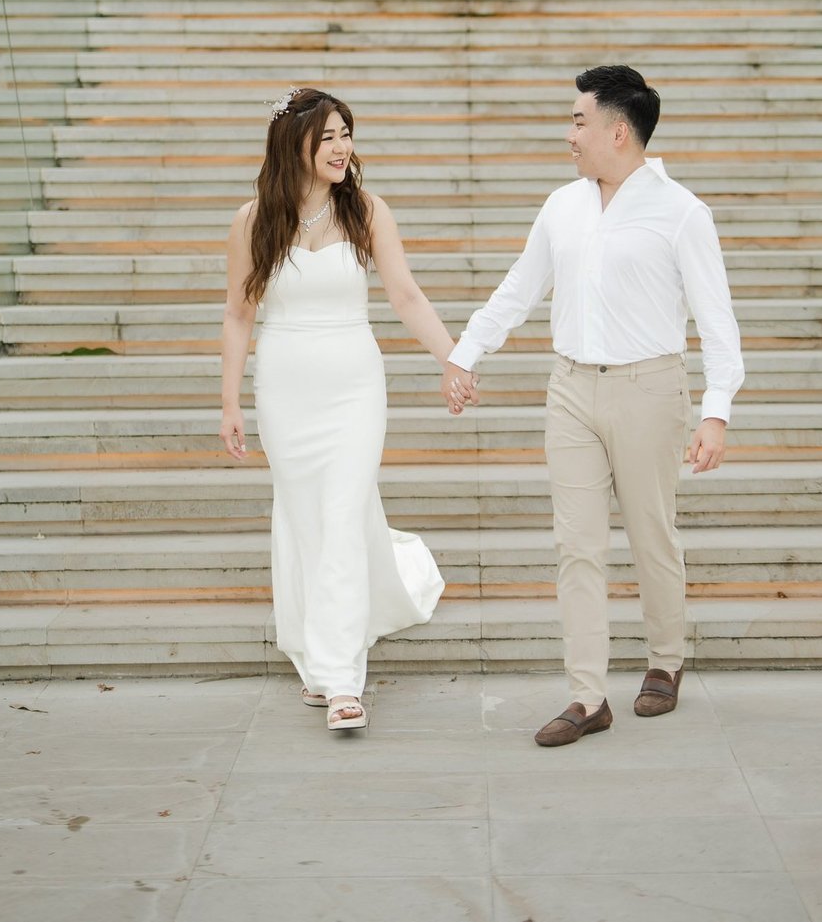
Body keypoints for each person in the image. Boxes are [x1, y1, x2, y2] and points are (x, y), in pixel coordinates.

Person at [442, 65, 743, 747]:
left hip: (649, 389)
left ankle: (665, 660)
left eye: (579, 120)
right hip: (571, 390)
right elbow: (521, 286)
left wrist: (716, 410)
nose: (569, 133)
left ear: (617, 130)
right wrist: (467, 351)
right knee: (576, 545)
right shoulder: (562, 206)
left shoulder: (682, 213)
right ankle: (587, 695)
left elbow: (717, 323)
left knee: (650, 534)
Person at [220, 86, 466, 731]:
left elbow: (407, 296)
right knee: (305, 517)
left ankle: (343, 682)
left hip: (355, 384)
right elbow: (238, 314)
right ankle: (315, 653)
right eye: (327, 136)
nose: (341, 147)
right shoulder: (252, 221)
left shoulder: (367, 212)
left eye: (346, 134)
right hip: (284, 386)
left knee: (338, 509)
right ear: (293, 142)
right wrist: (229, 403)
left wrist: (452, 358)